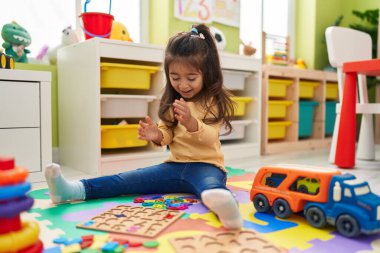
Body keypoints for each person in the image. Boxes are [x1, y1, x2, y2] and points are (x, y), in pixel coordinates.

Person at [45, 24, 243, 229]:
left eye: (191, 78)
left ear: (207, 73)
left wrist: (192, 123)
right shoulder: (173, 101)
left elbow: (211, 137)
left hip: (207, 166)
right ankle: (71, 191)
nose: (183, 85)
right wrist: (157, 134)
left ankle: (229, 211)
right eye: (175, 78)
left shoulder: (212, 101)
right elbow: (167, 134)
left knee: (211, 189)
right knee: (125, 180)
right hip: (174, 166)